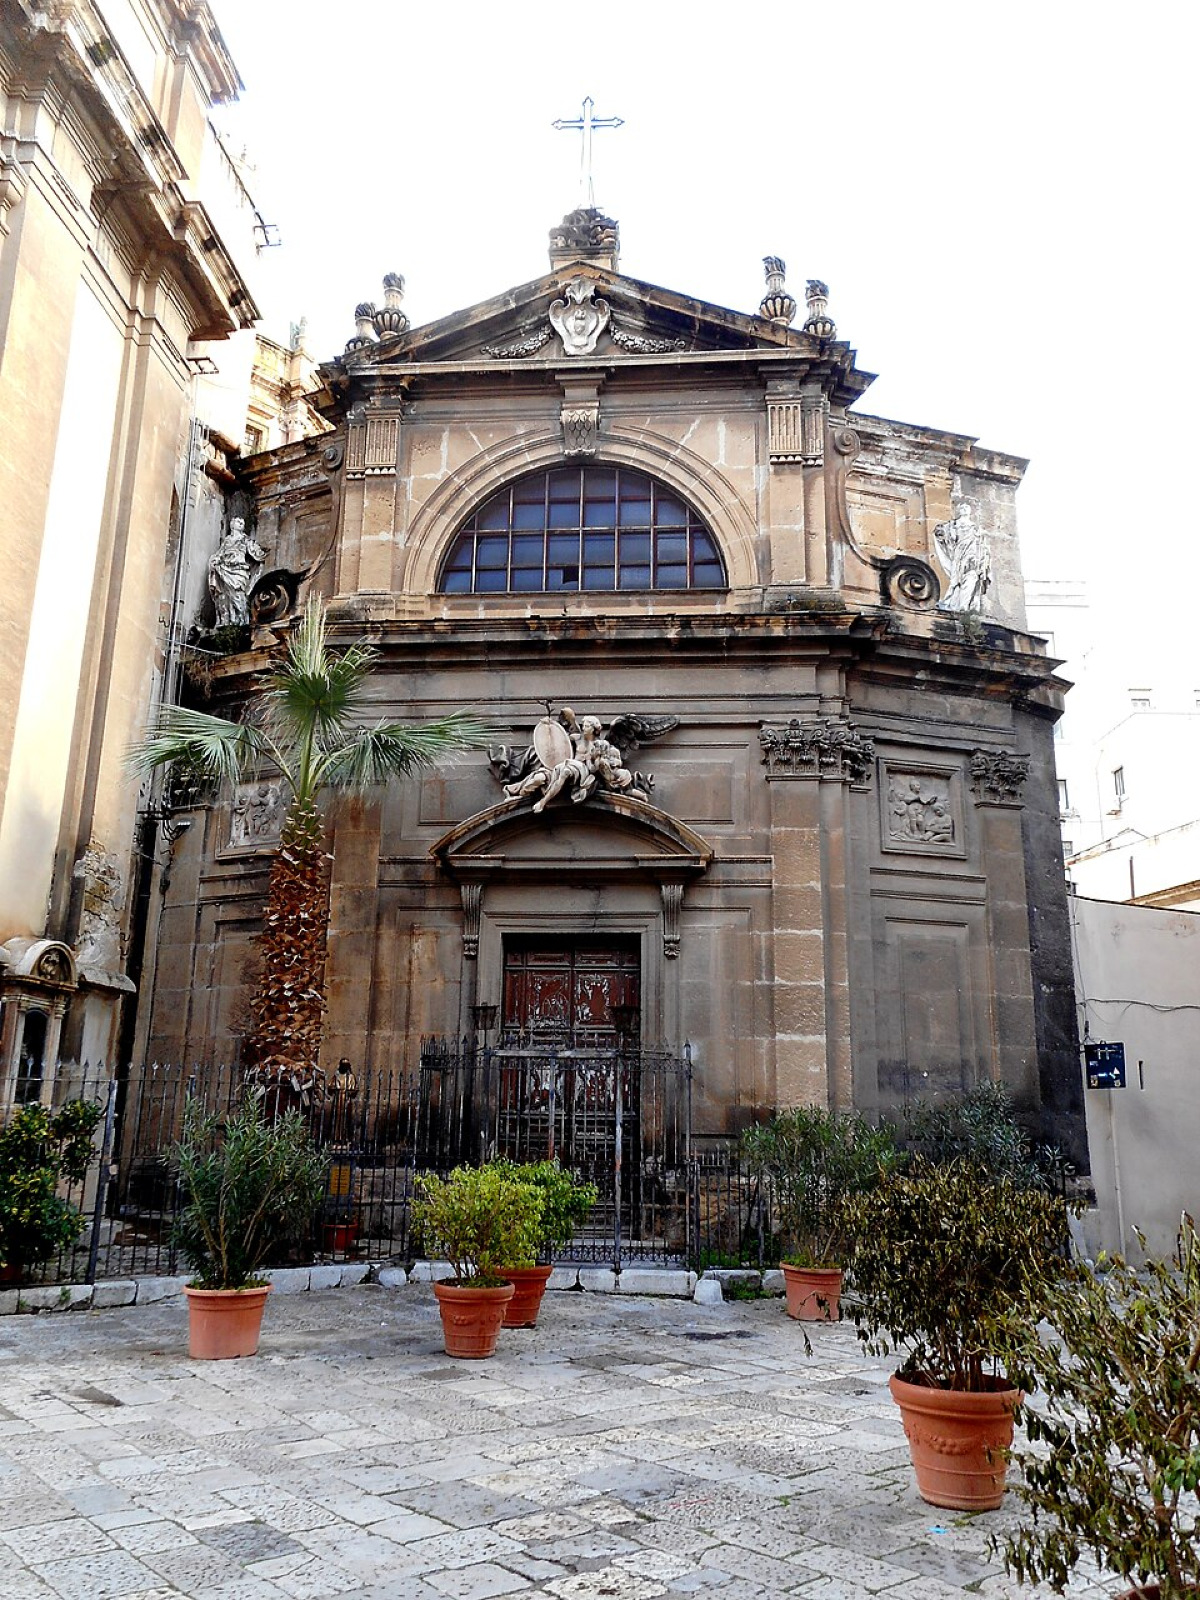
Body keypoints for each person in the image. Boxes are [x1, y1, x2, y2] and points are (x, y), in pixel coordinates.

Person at [208, 517, 264, 627]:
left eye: (242, 523)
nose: (241, 524)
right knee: (224, 595)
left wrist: (261, 555)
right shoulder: (227, 540)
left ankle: (241, 620)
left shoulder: (245, 539)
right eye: (239, 522)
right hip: (225, 569)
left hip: (239, 570)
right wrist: (214, 560)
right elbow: (220, 553)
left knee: (238, 594)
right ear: (232, 524)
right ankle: (227, 620)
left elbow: (256, 553)